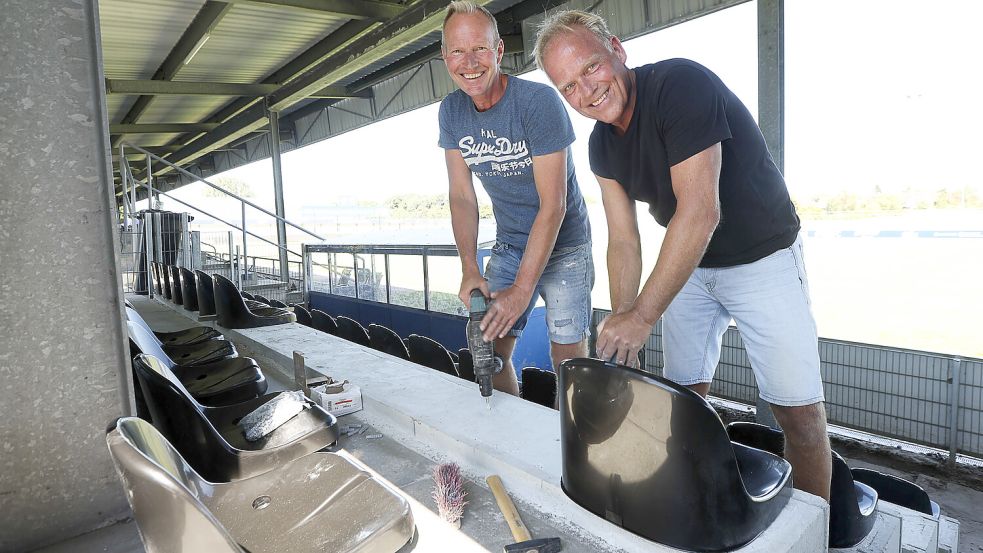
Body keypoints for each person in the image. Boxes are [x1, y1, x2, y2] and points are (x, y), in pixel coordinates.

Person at [534, 10, 831, 500]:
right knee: (684, 401)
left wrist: (644, 315)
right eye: (568, 87)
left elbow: (700, 212)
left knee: (797, 415)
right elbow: (624, 241)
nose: (585, 92)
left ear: (617, 49)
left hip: (763, 257)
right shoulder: (600, 148)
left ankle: (814, 528)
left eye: (590, 68)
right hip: (692, 268)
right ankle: (700, 507)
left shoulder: (680, 84)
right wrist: (623, 321)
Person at [438, 1, 593, 396]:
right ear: (444, 56)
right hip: (510, 245)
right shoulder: (451, 112)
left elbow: (553, 204)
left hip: (565, 245)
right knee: (487, 349)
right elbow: (461, 196)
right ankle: (510, 439)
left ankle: (569, 454)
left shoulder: (537, 102)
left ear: (499, 51)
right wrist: (470, 267)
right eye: (457, 50)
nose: (469, 62)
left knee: (569, 364)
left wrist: (522, 291)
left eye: (479, 49)